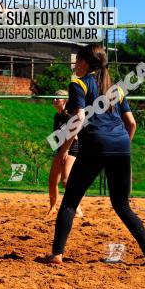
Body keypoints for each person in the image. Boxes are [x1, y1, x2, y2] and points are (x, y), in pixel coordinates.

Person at [47, 43, 145, 265]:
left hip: (95, 146)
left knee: (69, 202)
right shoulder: (116, 88)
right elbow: (132, 124)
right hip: (121, 146)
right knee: (122, 205)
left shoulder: (78, 83)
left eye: (77, 61)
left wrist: (65, 149)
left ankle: (57, 254)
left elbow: (78, 119)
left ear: (86, 63)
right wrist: (121, 146)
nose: (75, 65)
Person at [48, 90, 82, 218]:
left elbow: (75, 136)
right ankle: (52, 208)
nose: (55, 100)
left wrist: (65, 150)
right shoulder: (57, 116)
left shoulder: (69, 115)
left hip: (71, 148)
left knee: (66, 180)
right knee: (52, 180)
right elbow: (57, 136)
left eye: (58, 98)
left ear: (65, 101)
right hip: (61, 149)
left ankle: (77, 209)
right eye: (54, 97)